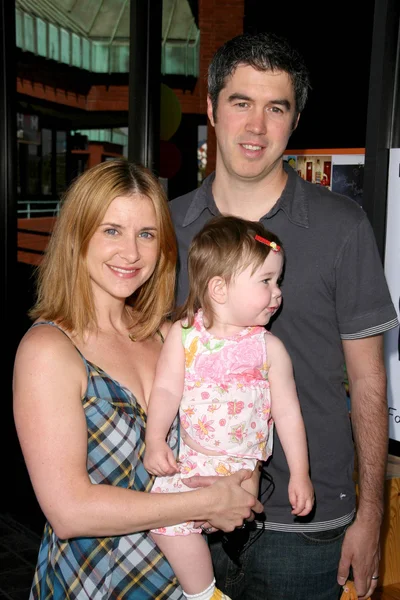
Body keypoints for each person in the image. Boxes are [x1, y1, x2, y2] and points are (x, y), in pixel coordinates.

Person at [169, 32, 399, 600]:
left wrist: (372, 517)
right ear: (212, 109)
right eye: (241, 103)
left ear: (294, 121)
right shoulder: (166, 230)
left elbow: (370, 381)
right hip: (186, 513)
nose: (256, 126)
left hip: (305, 525)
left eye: (276, 108)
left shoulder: (342, 227)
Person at [12, 159, 264, 600]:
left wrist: (240, 481)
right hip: (93, 583)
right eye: (111, 230)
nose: (131, 253)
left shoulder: (171, 336)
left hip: (182, 582)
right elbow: (70, 510)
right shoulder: (49, 351)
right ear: (78, 235)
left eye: (146, 234)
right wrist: (206, 503)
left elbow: (236, 418)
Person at [144, 215, 314, 600]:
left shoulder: (269, 348)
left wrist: (300, 474)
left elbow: (288, 414)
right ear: (219, 288)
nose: (278, 293)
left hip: (240, 473)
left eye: (278, 281)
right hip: (193, 462)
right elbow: (167, 389)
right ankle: (203, 593)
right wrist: (155, 439)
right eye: (266, 281)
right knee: (162, 522)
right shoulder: (183, 335)